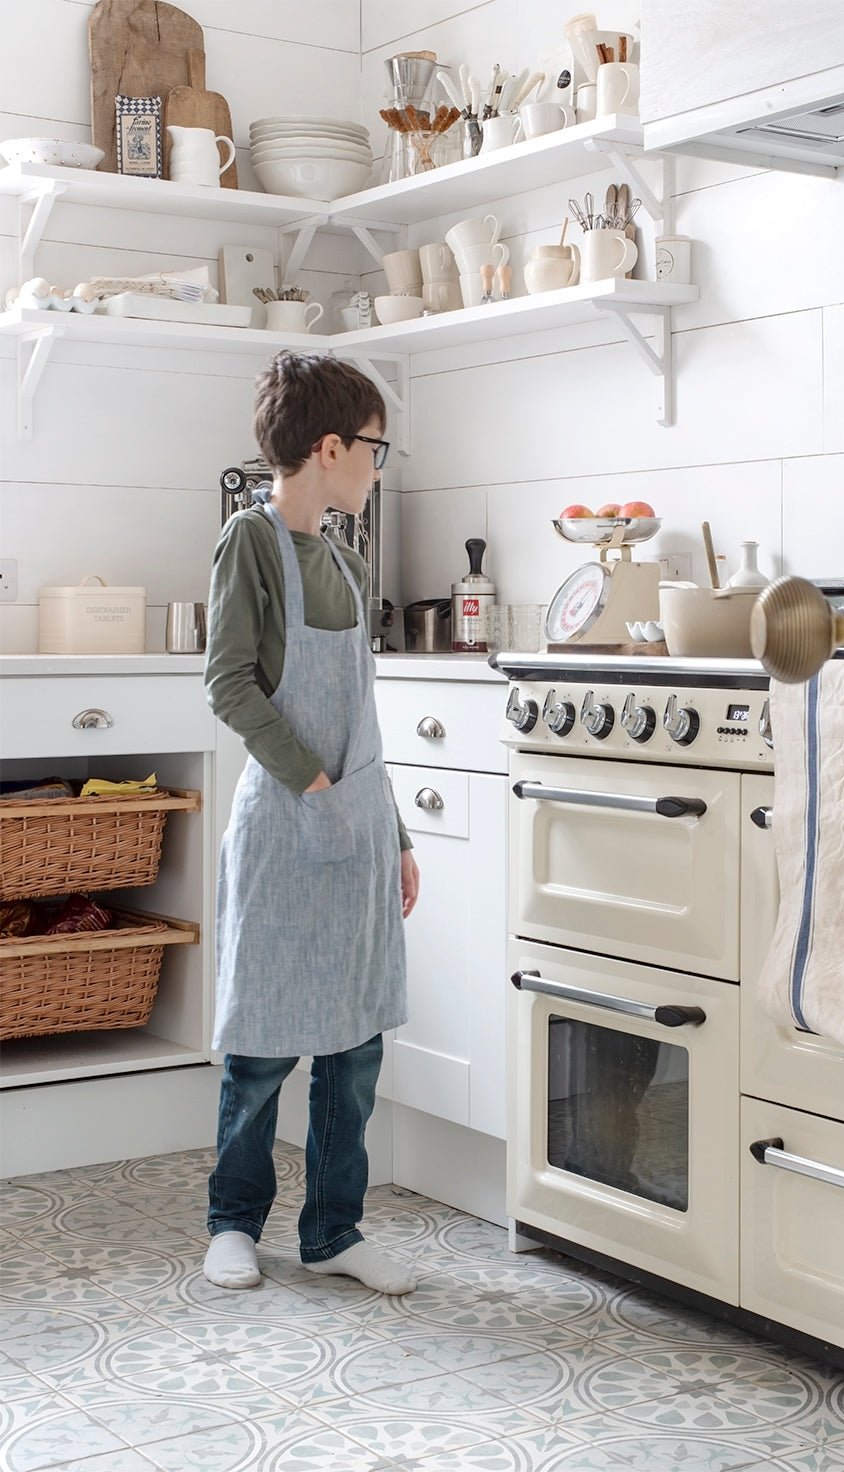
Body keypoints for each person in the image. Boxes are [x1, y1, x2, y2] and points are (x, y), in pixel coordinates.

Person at [202, 350, 419, 1294]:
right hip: (288, 830)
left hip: (358, 827)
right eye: (375, 447)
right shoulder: (249, 543)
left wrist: (396, 832)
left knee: (354, 1049)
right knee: (260, 1051)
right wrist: (316, 785)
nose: (381, 464)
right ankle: (233, 1225)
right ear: (329, 448)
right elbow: (230, 685)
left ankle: (334, 1230)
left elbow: (364, 718)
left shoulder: (346, 560)